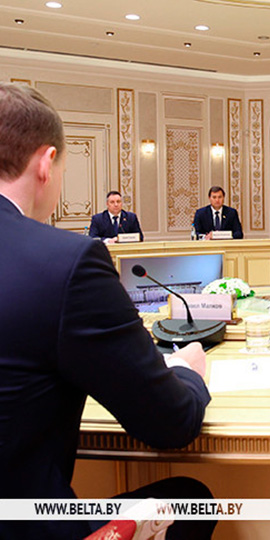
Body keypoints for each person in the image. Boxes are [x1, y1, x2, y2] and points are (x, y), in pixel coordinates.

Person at [0, 82, 215, 539]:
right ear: (46, 163)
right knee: (191, 501)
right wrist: (188, 371)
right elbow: (170, 423)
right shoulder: (66, 262)